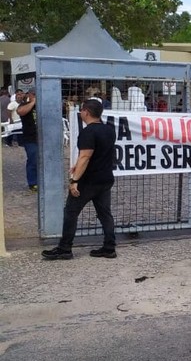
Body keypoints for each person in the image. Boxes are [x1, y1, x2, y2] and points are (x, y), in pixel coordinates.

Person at [41, 99, 117, 260]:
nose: (81, 113)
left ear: (86, 112)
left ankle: (65, 248)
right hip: (105, 178)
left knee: (70, 212)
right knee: (105, 214)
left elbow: (85, 156)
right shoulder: (109, 130)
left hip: (88, 180)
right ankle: (109, 247)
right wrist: (77, 164)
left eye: (82, 110)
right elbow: (99, 153)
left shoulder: (88, 132)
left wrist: (74, 180)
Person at [16, 88, 38, 191]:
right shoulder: (24, 105)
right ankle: (33, 183)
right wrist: (33, 102)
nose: (36, 95)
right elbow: (20, 112)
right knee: (33, 160)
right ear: (29, 95)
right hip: (31, 138)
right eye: (33, 94)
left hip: (44, 138)